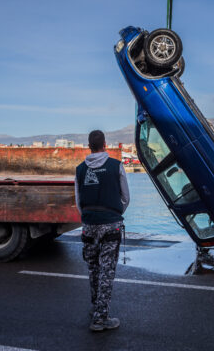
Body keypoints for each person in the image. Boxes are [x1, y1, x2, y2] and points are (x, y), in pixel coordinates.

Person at [75, 130, 130, 332]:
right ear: (105, 144)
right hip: (110, 225)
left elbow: (79, 201)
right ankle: (100, 319)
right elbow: (126, 197)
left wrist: (90, 217)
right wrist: (115, 213)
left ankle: (96, 307)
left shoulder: (80, 169)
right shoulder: (116, 166)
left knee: (93, 269)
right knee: (107, 271)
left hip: (88, 225)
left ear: (89, 145)